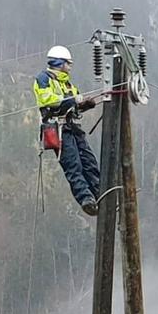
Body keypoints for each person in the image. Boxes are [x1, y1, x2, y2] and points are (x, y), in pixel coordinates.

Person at [33, 45, 101, 216]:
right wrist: (72, 100)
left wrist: (84, 104)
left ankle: (101, 193)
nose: (70, 67)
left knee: (89, 162)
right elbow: (48, 99)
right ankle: (86, 199)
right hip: (58, 129)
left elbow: (74, 105)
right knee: (73, 165)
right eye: (68, 63)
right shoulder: (43, 79)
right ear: (59, 63)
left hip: (72, 126)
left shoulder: (68, 84)